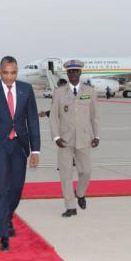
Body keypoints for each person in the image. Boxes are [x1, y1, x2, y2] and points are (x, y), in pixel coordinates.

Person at [0, 56, 40, 252]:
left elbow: (32, 120)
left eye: (13, 73)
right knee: (2, 187)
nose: (9, 77)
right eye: (5, 73)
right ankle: (3, 234)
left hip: (19, 146)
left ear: (16, 72)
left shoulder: (26, 90)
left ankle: (6, 216)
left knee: (17, 188)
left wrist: (35, 149)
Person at [49, 59, 99, 218]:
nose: (73, 74)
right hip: (65, 139)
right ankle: (70, 206)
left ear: (80, 73)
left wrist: (96, 135)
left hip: (84, 138)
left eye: (76, 71)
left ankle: (81, 193)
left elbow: (95, 116)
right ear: (67, 73)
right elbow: (53, 117)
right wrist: (56, 136)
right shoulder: (59, 92)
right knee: (66, 174)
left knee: (86, 171)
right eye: (70, 71)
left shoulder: (89, 91)